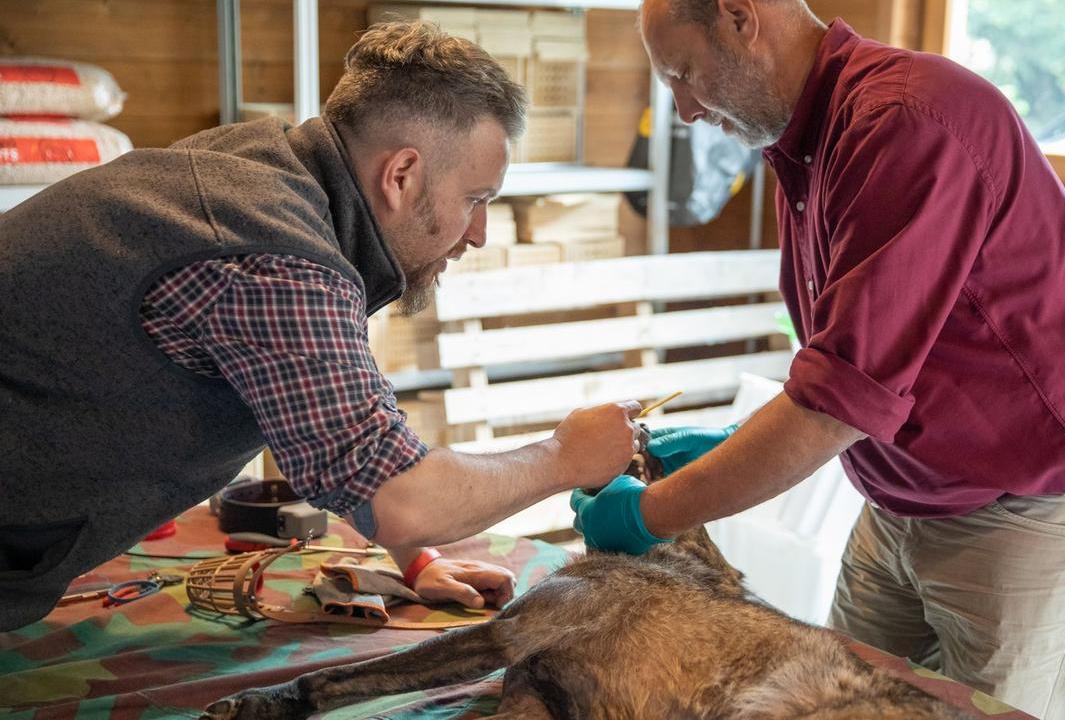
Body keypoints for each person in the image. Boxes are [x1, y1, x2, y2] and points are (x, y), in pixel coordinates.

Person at [569, 1, 1065, 718]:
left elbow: (837, 403)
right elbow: (852, 362)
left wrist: (651, 515)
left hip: (1032, 512)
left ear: (740, 18)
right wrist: (730, 443)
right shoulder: (806, 145)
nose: (686, 111)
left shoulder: (904, 122)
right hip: (900, 499)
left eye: (684, 75)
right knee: (836, 706)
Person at [0, 21, 642, 632]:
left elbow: (328, 426)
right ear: (400, 175)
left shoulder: (259, 170)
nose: (478, 233)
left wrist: (412, 557)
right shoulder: (275, 258)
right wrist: (564, 458)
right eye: (475, 199)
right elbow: (401, 498)